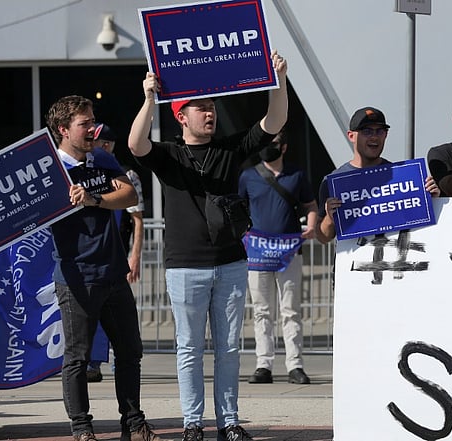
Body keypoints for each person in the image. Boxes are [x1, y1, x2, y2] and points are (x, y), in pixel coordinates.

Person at [127, 51, 288, 441]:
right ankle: (192, 423)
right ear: (182, 116)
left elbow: (274, 123)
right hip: (185, 266)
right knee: (189, 349)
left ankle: (229, 422)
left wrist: (278, 80)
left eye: (212, 106)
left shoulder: (229, 149)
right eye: (200, 108)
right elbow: (136, 144)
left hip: (231, 262)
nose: (209, 113)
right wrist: (149, 98)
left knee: (229, 349)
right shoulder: (169, 155)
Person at [46, 96, 159, 441]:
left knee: (129, 352)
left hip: (113, 273)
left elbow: (128, 196)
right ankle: (82, 429)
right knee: (78, 358)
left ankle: (134, 424)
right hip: (76, 277)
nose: (93, 129)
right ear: (64, 130)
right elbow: (14, 217)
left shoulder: (103, 158)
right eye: (84, 124)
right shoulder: (49, 168)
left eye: (93, 121)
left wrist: (94, 199)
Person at [238, 129, 317, 385]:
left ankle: (295, 365)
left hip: (289, 251)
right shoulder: (248, 176)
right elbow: (238, 210)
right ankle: (264, 365)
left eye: (273, 144)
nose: (267, 148)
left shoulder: (296, 175)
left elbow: (310, 204)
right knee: (262, 311)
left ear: (283, 148)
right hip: (258, 252)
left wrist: (312, 225)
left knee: (290, 310)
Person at [317, 106, 439, 243]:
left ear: (386, 135)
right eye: (367, 131)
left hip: (394, 262)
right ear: (351, 136)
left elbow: (420, 225)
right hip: (354, 263)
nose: (374, 137)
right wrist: (329, 218)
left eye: (380, 131)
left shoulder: (401, 177)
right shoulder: (333, 182)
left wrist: (433, 201)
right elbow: (323, 237)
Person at [85, 123, 145, 383]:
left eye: (101, 142)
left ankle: (116, 363)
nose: (97, 146)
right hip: (92, 257)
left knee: (120, 317)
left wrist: (135, 256)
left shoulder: (127, 175)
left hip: (118, 254)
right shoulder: (84, 173)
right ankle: (93, 363)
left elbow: (138, 220)